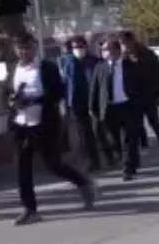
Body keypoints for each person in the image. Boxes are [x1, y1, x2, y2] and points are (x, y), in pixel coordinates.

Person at [9, 32, 96, 225]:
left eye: (28, 48)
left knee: (53, 165)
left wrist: (35, 100)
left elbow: (57, 93)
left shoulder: (46, 68)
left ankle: (82, 182)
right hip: (22, 124)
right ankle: (30, 209)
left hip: (44, 123)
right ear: (16, 50)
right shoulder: (14, 69)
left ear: (34, 48)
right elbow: (9, 92)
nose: (25, 52)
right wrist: (13, 101)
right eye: (21, 49)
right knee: (22, 168)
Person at [90, 39, 144, 180]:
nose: (105, 52)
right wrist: (92, 108)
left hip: (127, 106)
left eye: (108, 49)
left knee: (129, 138)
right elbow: (94, 89)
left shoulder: (130, 66)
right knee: (114, 139)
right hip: (109, 109)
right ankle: (119, 157)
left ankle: (128, 167)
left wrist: (139, 104)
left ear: (117, 51)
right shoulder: (100, 67)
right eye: (104, 50)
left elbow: (139, 86)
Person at [120, 31, 159, 163]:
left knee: (155, 125)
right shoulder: (123, 58)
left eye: (126, 43)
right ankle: (135, 160)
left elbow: (158, 73)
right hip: (133, 98)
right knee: (134, 130)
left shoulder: (147, 54)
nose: (125, 46)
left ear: (132, 41)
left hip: (148, 96)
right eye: (122, 44)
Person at [58, 36, 104, 171]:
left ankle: (107, 154)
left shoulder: (95, 61)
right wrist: (66, 103)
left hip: (94, 102)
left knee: (96, 131)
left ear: (86, 47)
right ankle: (92, 161)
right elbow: (65, 83)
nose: (78, 50)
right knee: (84, 133)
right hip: (76, 104)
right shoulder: (68, 62)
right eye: (75, 47)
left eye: (80, 47)